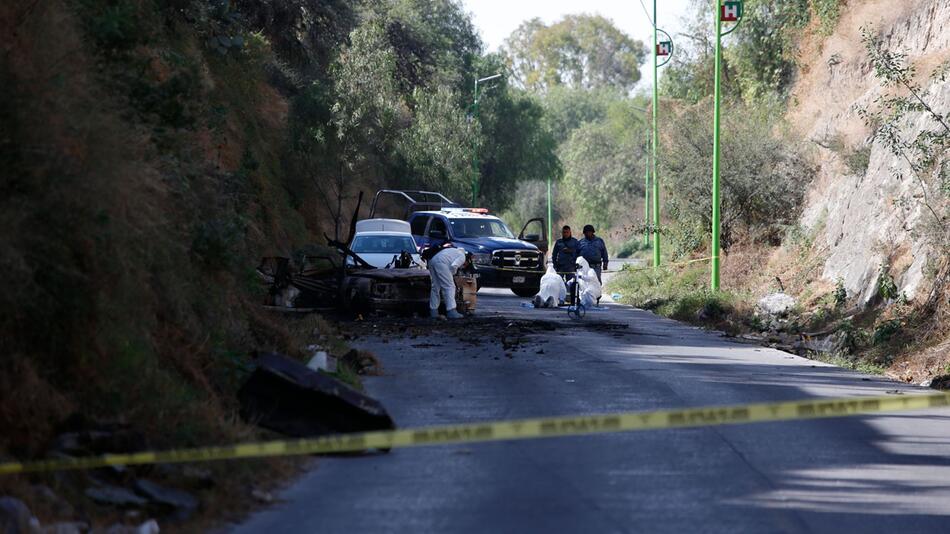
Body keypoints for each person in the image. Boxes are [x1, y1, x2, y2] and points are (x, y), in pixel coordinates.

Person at [425, 244, 470, 319]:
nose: (463, 266)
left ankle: (433, 311)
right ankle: (451, 311)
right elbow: (454, 266)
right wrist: (452, 274)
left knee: (435, 287)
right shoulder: (462, 256)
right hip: (441, 263)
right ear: (467, 261)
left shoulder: (453, 251)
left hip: (432, 261)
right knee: (450, 286)